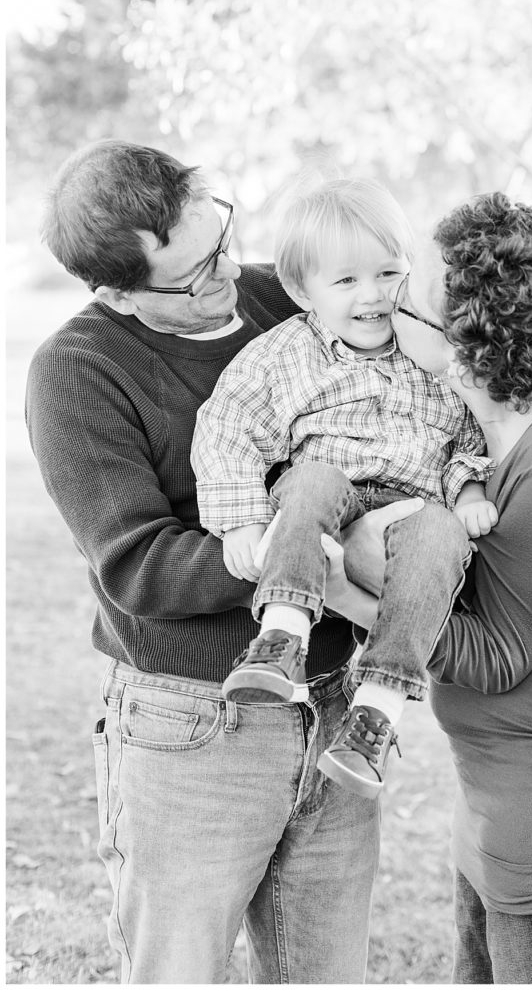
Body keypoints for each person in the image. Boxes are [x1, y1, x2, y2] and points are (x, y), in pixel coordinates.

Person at [24, 139, 422, 985]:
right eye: (195, 272)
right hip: (193, 728)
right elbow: (138, 565)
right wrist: (296, 550)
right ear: (114, 290)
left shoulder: (293, 294)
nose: (228, 275)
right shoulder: (78, 371)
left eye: (222, 240)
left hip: (333, 703)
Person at [321, 191, 532, 984]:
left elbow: (494, 657)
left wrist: (344, 588)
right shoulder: (499, 431)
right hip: (503, 794)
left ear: (458, 342)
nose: (385, 303)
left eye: (404, 296)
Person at [191, 177, 496, 799]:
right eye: (347, 281)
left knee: (440, 533)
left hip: (413, 506)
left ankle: (377, 712)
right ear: (302, 291)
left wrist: (466, 496)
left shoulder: (430, 351)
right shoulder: (284, 355)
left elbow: (468, 436)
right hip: (327, 498)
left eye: (389, 273)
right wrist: (243, 521)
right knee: (312, 479)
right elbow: (228, 427)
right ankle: (281, 635)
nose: (374, 296)